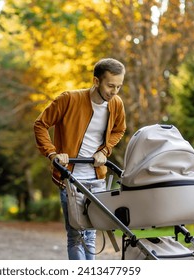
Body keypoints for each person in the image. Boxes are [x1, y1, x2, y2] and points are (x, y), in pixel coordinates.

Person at [33, 58, 126, 260]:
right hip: (70, 178)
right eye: (110, 85)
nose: (115, 91)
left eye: (119, 86)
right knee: (76, 236)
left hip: (97, 178)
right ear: (96, 81)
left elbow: (119, 129)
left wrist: (105, 150)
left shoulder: (116, 104)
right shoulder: (69, 100)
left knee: (91, 234)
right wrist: (53, 153)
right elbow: (40, 124)